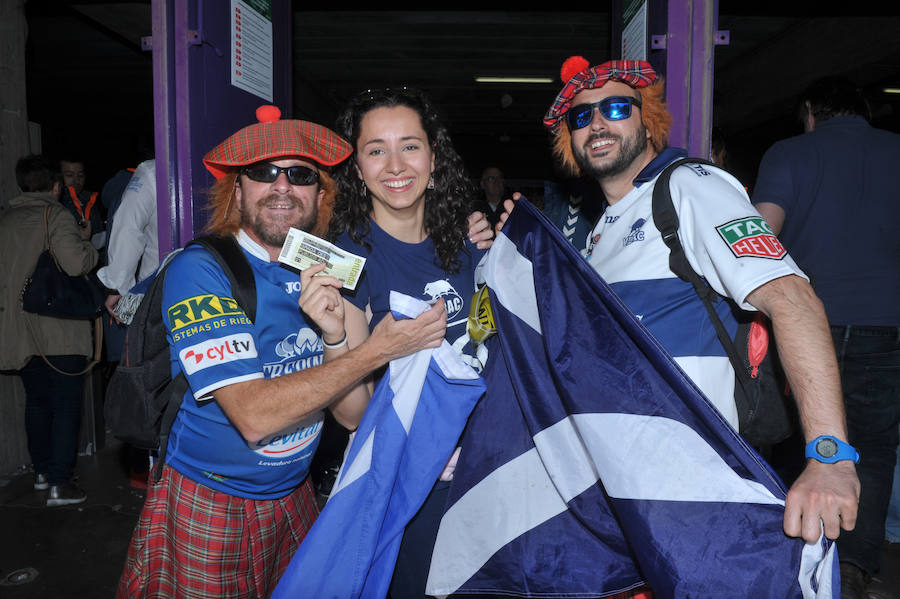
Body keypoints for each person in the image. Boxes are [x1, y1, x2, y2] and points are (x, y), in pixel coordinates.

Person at [503, 56, 859, 549]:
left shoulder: (690, 187)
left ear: (647, 119)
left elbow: (793, 300)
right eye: (581, 117)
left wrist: (828, 456)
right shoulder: (600, 233)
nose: (598, 124)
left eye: (615, 107)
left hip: (700, 493)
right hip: (630, 495)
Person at [115, 105, 450, 598]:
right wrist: (375, 351)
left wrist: (337, 335)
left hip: (294, 496)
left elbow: (352, 415)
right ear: (239, 188)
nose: (281, 186)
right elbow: (253, 416)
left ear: (320, 194)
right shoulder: (199, 270)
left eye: (300, 175)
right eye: (262, 173)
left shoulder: (321, 267)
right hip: (213, 498)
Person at [327, 87, 489, 598]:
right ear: (357, 167)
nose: (395, 164)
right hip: (413, 480)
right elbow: (351, 414)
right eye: (376, 149)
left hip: (485, 470)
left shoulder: (465, 241)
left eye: (410, 146)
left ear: (434, 159)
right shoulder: (347, 258)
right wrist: (335, 334)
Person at [752, 75, 900, 599]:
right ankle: (855, 567)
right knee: (875, 450)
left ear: (812, 111)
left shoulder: (789, 153)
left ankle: (802, 555)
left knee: (802, 439)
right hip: (887, 323)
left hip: (804, 325)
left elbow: (760, 236)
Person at [0, 155, 99, 506]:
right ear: (56, 187)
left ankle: (41, 473)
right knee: (66, 406)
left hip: (19, 332)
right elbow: (75, 264)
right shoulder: (55, 215)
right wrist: (87, 243)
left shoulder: (6, 220)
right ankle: (61, 484)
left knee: (38, 404)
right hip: (59, 331)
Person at [59, 157, 105, 249]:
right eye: (69, 175)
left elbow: (99, 236)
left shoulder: (90, 200)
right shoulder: (57, 204)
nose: (76, 181)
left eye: (80, 175)